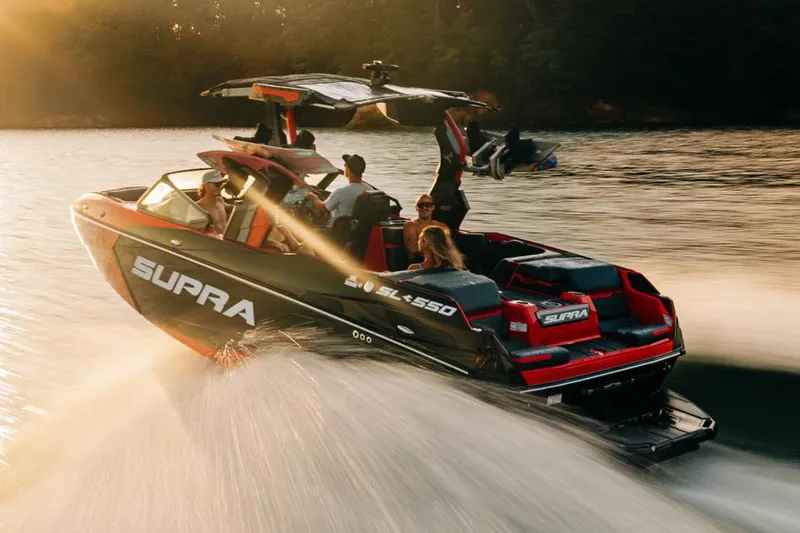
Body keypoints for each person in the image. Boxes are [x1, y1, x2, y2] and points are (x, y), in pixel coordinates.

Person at [304, 154, 371, 222]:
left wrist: (312, 196)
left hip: (338, 230)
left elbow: (322, 208)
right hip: (360, 229)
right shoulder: (370, 190)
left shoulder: (341, 192)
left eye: (345, 167)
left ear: (348, 171)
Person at [402, 194, 449, 260]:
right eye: (420, 205)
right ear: (416, 208)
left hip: (441, 261)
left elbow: (449, 247)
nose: (424, 208)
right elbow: (413, 249)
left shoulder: (442, 226)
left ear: (433, 207)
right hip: (419, 261)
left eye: (428, 205)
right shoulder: (410, 226)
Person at [196, 170, 229, 234]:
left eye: (221, 184)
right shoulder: (197, 207)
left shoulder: (220, 200)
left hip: (228, 240)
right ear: (205, 185)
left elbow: (236, 208)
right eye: (217, 184)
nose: (220, 187)